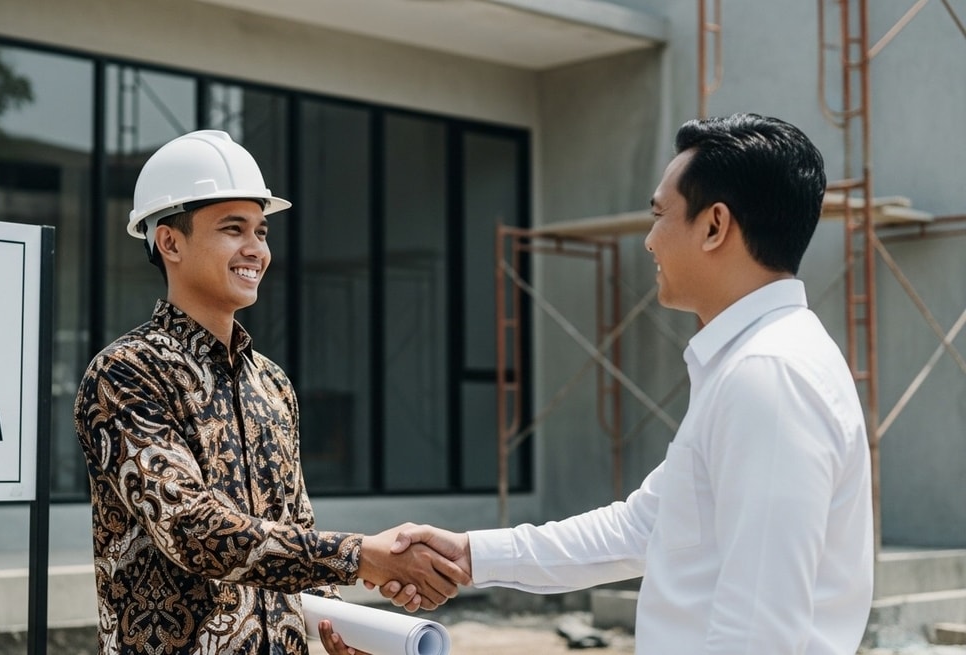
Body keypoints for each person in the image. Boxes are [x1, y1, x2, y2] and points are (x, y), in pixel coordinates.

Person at [357, 113, 874, 655]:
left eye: (660, 215)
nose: (650, 241)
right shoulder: (754, 364)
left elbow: (759, 631)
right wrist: (468, 554)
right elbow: (638, 528)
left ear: (715, 226)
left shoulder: (768, 375)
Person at [74, 129, 468, 655]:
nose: (255, 249)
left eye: (261, 232)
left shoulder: (272, 383)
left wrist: (338, 624)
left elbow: (295, 528)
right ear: (169, 241)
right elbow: (193, 531)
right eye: (233, 229)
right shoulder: (125, 374)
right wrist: (364, 556)